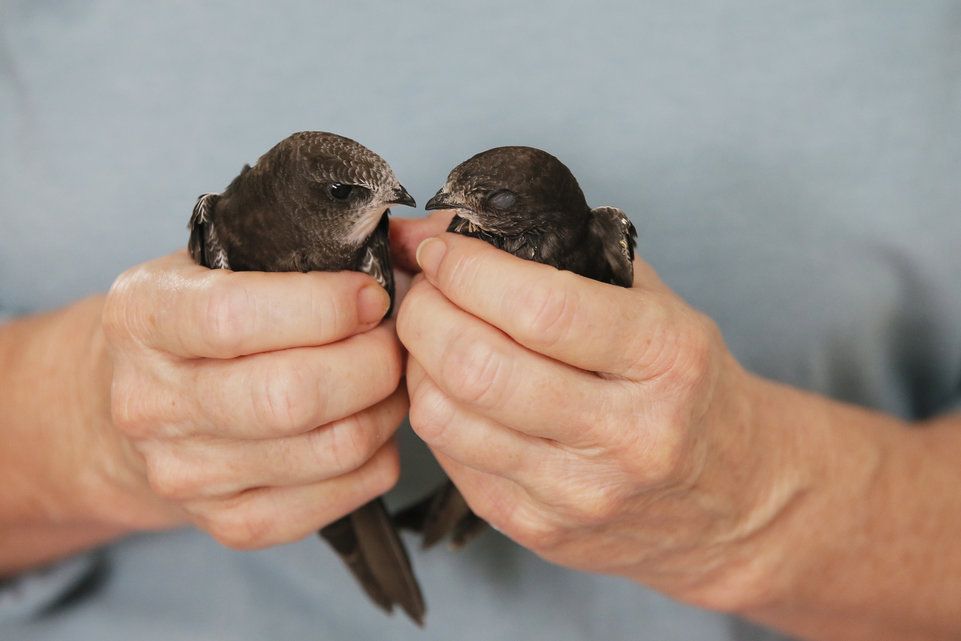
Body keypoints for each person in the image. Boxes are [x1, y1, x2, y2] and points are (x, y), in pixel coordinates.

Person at [1, 2, 959, 640]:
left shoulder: (577, 232)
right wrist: (88, 426)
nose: (409, 213)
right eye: (364, 200)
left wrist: (765, 504)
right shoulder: (234, 216)